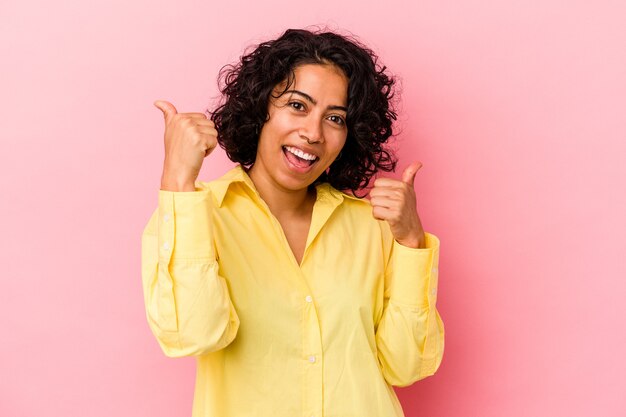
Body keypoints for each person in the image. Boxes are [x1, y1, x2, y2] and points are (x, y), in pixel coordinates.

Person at [141, 28, 444, 417]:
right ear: (259, 108)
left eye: (334, 118)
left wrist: (411, 244)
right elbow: (193, 334)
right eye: (298, 106)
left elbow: (406, 366)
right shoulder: (196, 215)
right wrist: (178, 182)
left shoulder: (374, 227)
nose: (313, 133)